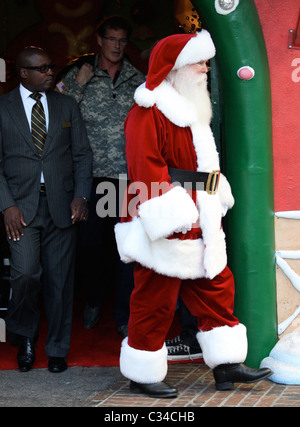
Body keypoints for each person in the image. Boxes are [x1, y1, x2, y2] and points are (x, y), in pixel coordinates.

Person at [115, 30, 273, 398]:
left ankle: (226, 363)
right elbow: (146, 168)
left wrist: (217, 194)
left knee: (216, 287)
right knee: (154, 299)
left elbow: (203, 165)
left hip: (200, 214)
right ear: (176, 67)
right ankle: (142, 370)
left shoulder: (192, 106)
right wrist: (173, 216)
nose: (206, 67)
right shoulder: (148, 111)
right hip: (167, 217)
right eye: (199, 61)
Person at [0, 46, 93, 373]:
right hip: (20, 208)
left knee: (60, 281)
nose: (50, 72)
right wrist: (6, 205)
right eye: (41, 68)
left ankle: (56, 348)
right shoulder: (3, 108)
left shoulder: (66, 105)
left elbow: (82, 155)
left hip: (61, 205)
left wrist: (81, 196)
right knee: (25, 274)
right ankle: (24, 336)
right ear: (23, 73)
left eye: (51, 66)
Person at [56, 16, 145, 334]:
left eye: (122, 41)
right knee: (90, 246)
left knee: (128, 249)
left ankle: (124, 315)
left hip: (127, 178)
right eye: (112, 40)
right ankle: (93, 299)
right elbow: (56, 115)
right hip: (89, 177)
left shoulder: (139, 80)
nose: (117, 46)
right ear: (99, 39)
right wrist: (79, 83)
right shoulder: (78, 75)